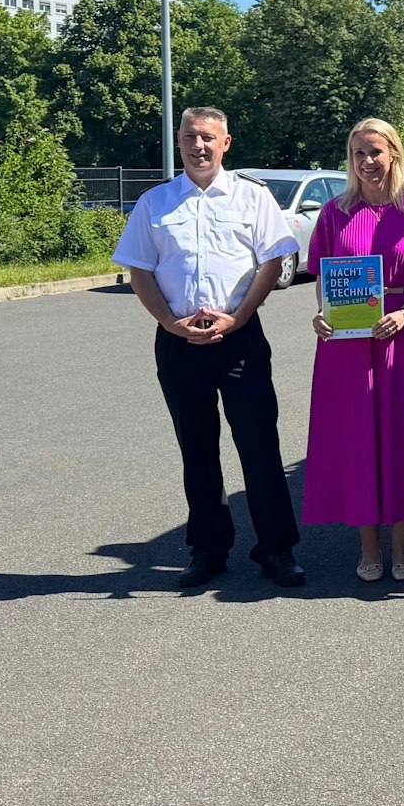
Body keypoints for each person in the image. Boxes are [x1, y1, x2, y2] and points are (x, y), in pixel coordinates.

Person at [113, 106, 305, 590]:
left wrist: (238, 317)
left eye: (207, 137)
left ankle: (276, 550)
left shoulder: (251, 197)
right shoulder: (155, 202)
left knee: (259, 446)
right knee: (196, 449)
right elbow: (139, 271)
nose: (197, 146)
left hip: (239, 337)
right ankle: (208, 550)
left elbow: (272, 263)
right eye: (189, 137)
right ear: (178, 141)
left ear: (225, 143)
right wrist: (171, 324)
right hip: (179, 341)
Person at [304, 117, 404, 582]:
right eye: (358, 153)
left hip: (401, 339)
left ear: (394, 155)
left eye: (375, 152)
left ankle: (402, 546)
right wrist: (322, 312)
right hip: (345, 348)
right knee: (357, 440)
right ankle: (368, 548)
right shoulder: (333, 213)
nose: (367, 161)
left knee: (402, 438)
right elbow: (323, 275)